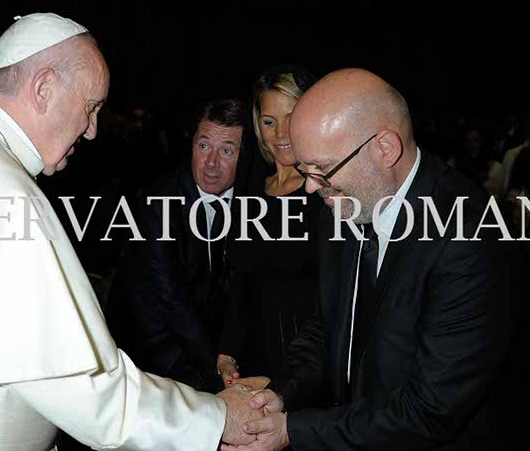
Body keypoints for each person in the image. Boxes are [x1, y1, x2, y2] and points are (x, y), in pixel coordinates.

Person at [0, 13, 260, 451]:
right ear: (43, 89)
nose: (92, 130)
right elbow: (83, 387)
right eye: (91, 107)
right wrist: (216, 417)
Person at [223, 68, 527, 451]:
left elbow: (429, 409)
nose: (312, 186)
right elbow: (329, 323)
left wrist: (292, 430)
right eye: (306, 169)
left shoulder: (473, 236)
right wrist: (282, 392)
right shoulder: (345, 202)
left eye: (323, 168)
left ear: (385, 148)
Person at [106, 98, 249, 392]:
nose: (211, 163)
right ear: (191, 144)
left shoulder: (254, 203)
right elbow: (171, 301)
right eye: (204, 146)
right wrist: (216, 364)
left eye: (227, 151)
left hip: (210, 340)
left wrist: (229, 354)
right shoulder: (156, 204)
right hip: (151, 350)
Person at [217, 65, 322, 400]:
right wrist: (226, 353)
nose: (281, 133)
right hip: (250, 362)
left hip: (308, 372)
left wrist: (286, 382)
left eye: (292, 117)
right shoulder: (250, 192)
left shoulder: (327, 195)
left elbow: (334, 305)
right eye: (269, 121)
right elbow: (241, 282)